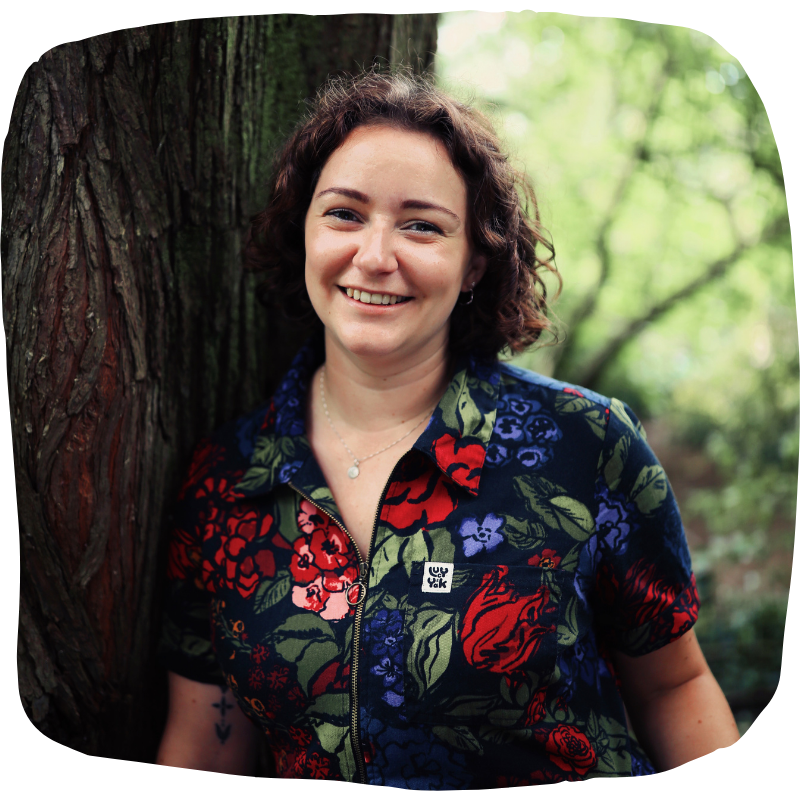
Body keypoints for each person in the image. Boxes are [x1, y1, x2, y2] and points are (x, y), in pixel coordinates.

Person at [155, 69, 740, 786]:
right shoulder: (225, 477)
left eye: (421, 226)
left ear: (474, 264)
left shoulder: (585, 443)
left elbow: (674, 688)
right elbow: (209, 737)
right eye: (344, 214)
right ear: (301, 232)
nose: (375, 256)